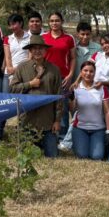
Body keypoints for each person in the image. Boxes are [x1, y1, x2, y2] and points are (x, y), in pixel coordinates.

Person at [10, 35, 63, 158]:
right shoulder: (22, 68)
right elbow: (12, 89)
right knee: (26, 155)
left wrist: (57, 120)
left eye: (40, 48)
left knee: (52, 155)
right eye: (34, 48)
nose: (37, 51)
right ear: (30, 51)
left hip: (47, 122)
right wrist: (30, 84)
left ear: (45, 50)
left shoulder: (54, 70)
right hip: (27, 121)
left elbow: (59, 97)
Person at [59, 22, 101, 151]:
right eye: (82, 34)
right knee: (66, 112)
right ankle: (63, 137)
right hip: (70, 84)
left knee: (79, 114)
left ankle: (68, 142)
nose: (85, 37)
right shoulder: (72, 47)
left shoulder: (97, 48)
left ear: (91, 34)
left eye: (87, 34)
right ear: (77, 34)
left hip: (88, 86)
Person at [42, 12, 76, 140]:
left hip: (63, 78)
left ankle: (62, 137)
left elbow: (73, 58)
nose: (54, 23)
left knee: (62, 107)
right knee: (46, 107)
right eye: (51, 21)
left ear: (62, 21)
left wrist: (70, 75)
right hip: (46, 77)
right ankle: (47, 134)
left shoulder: (69, 38)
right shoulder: (43, 37)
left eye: (57, 20)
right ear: (48, 22)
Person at [69, 61, 109, 160]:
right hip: (80, 128)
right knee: (82, 156)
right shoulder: (75, 88)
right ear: (81, 72)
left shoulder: (101, 88)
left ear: (95, 73)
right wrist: (71, 98)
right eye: (85, 71)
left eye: (91, 71)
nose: (88, 73)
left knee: (97, 157)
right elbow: (72, 109)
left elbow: (107, 111)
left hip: (98, 129)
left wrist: (108, 131)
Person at [3, 13, 31, 91]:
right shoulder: (8, 38)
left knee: (22, 99)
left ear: (21, 23)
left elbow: (30, 58)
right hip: (9, 73)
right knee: (6, 99)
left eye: (14, 24)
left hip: (24, 73)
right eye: (10, 25)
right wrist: (10, 69)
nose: (12, 27)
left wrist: (16, 69)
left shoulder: (30, 38)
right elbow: (7, 57)